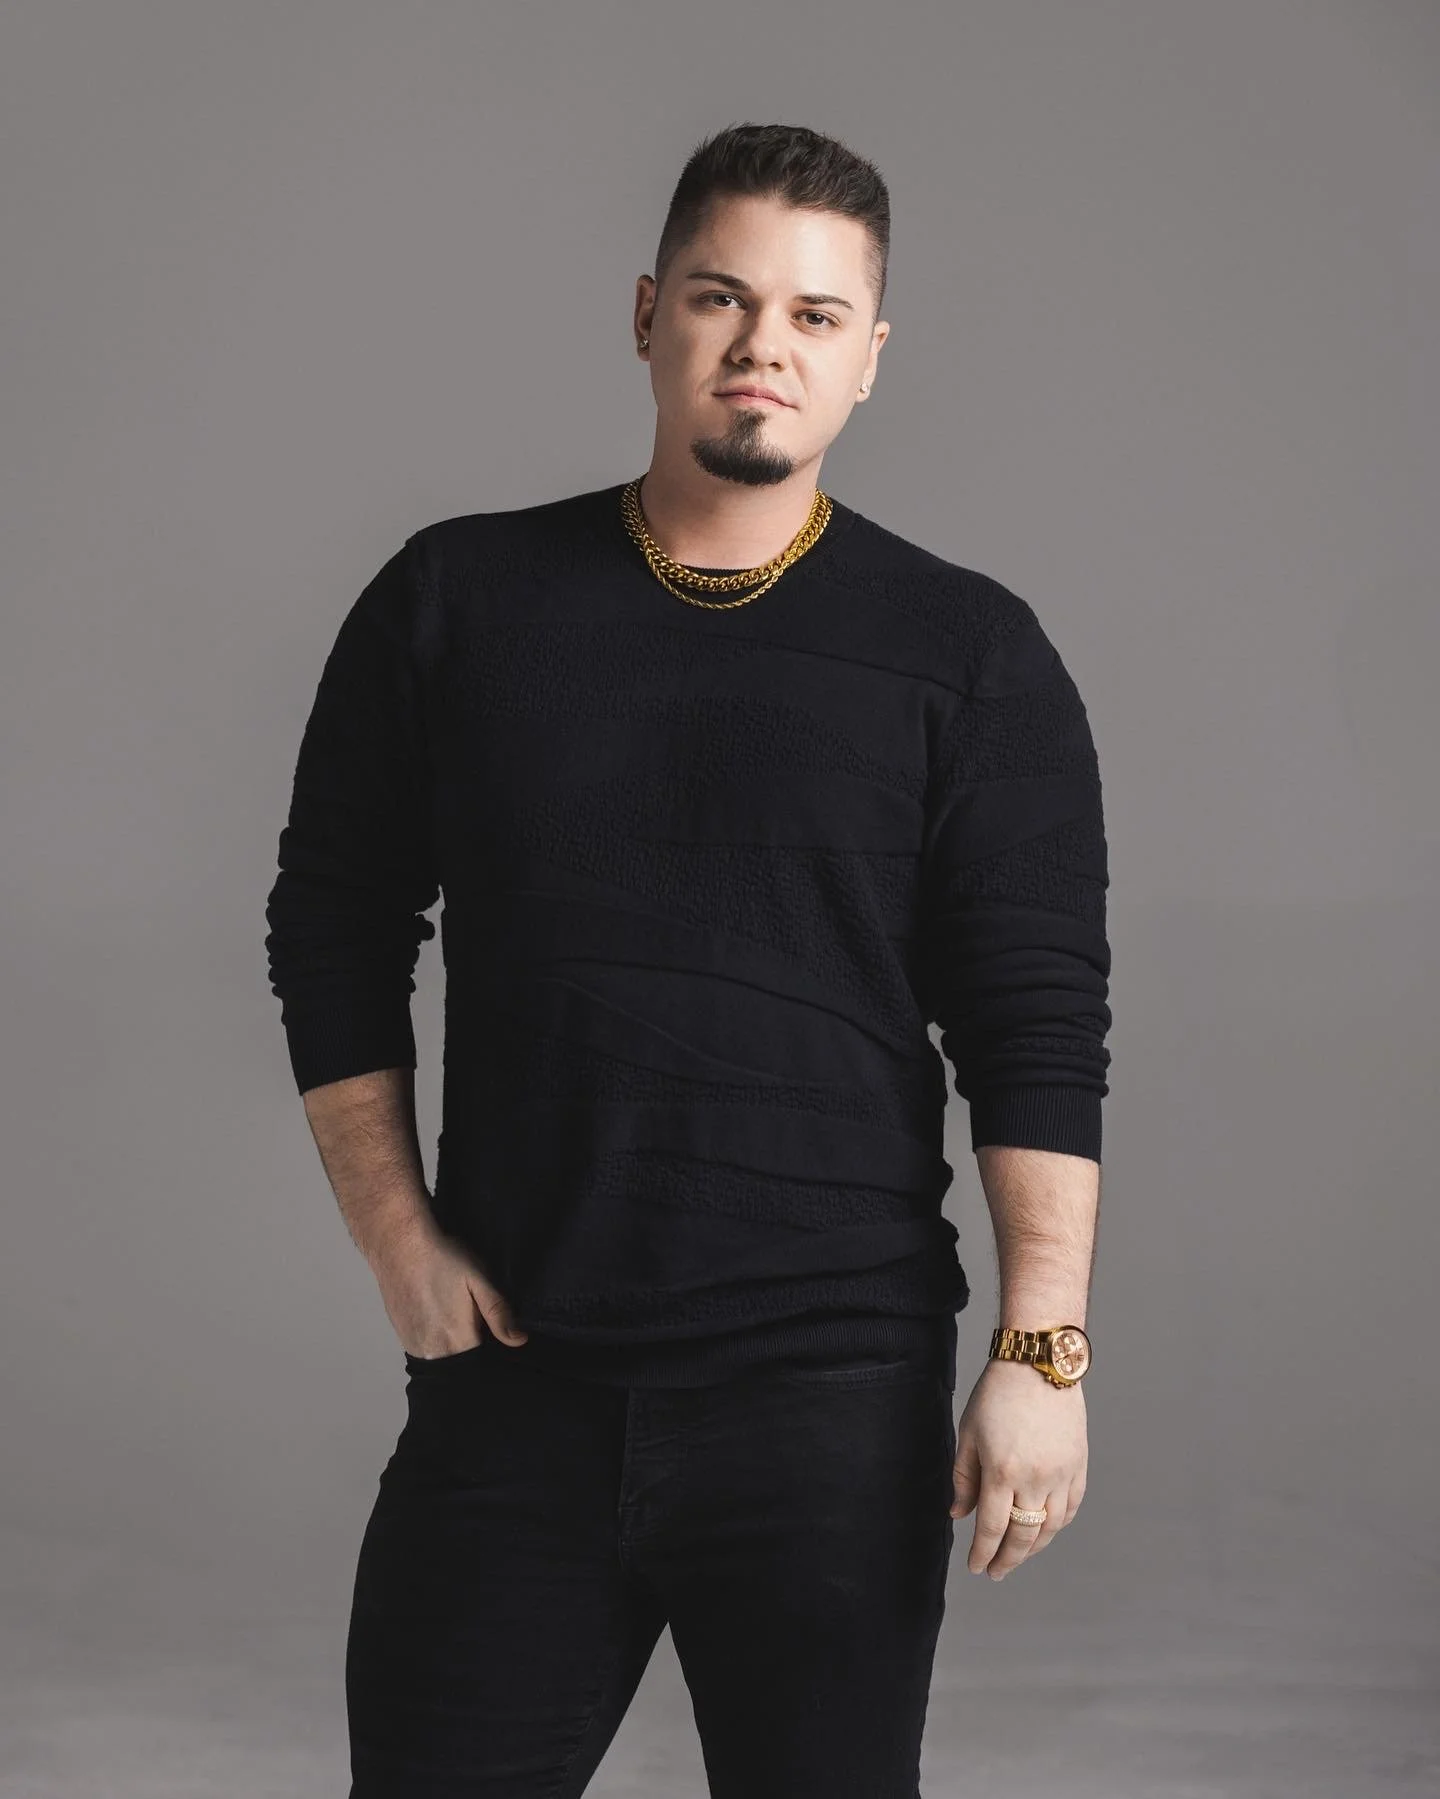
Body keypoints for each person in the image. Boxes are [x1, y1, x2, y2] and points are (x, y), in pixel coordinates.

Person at [264, 120, 1111, 1799]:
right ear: (649, 313)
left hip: (833, 1400)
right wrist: (394, 1238)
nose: (760, 348)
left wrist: (1042, 1352)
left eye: (811, 316)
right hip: (515, 1385)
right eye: (723, 299)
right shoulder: (458, 600)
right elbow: (332, 922)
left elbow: (1034, 1025)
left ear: (871, 358)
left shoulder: (969, 654)